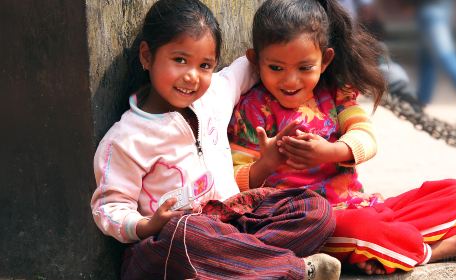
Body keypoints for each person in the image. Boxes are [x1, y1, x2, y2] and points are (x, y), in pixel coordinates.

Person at [90, 0, 341, 279]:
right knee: (187, 233)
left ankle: (237, 268)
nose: (192, 76)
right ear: (147, 56)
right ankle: (294, 270)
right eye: (180, 60)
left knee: (314, 209)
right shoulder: (126, 139)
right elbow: (109, 208)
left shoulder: (214, 96)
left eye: (205, 65)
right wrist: (146, 225)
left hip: (232, 220)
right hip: (169, 245)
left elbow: (255, 62)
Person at [228, 0, 456, 276]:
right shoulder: (251, 110)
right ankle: (428, 251)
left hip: (361, 205)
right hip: (313, 224)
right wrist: (267, 163)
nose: (290, 81)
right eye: (276, 68)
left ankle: (383, 245)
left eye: (304, 68)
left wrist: (331, 152)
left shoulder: (335, 95)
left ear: (325, 61)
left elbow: (366, 137)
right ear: (255, 59)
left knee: (452, 193)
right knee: (361, 228)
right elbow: (234, 181)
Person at [404, 0, 456, 105]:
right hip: (433, 6)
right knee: (427, 56)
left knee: (445, 54)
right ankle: (421, 100)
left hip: (432, 6)